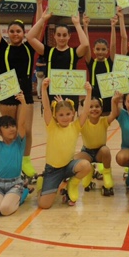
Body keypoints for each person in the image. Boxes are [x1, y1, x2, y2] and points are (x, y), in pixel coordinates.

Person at [0, 0, 43, 181]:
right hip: (5, 94)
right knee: (9, 131)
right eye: (11, 31)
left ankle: (26, 161)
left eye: (18, 31)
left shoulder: (29, 46)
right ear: (8, 33)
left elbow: (40, 26)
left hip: (24, 92)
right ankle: (11, 163)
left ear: (23, 33)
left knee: (25, 130)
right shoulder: (2, 47)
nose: (14, 34)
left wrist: (39, 4)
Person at [37, 79, 93, 209]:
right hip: (53, 170)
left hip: (68, 166)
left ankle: (71, 184)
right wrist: (44, 89)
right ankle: (42, 183)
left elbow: (85, 112)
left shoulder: (75, 126)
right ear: (55, 116)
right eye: (61, 115)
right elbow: (46, 108)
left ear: (73, 114)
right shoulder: (52, 126)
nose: (65, 117)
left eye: (68, 114)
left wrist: (89, 92)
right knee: (44, 205)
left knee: (86, 165)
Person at [26, 7, 89, 105]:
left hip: (70, 94)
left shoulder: (74, 52)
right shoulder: (47, 51)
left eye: (64, 35)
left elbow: (85, 44)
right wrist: (42, 19)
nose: (61, 38)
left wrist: (77, 24)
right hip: (51, 94)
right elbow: (30, 37)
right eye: (58, 35)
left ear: (69, 36)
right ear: (54, 35)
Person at [74, 92, 121, 196]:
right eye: (90, 107)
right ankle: (89, 171)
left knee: (106, 150)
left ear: (101, 108)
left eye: (97, 106)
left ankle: (107, 174)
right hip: (87, 152)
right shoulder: (83, 122)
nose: (94, 109)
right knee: (75, 159)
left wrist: (114, 101)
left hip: (100, 152)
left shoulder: (103, 121)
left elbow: (114, 114)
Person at [84, 13, 117, 114]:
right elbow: (86, 46)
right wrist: (85, 26)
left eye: (103, 49)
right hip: (94, 99)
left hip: (107, 98)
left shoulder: (110, 62)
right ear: (93, 50)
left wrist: (113, 26)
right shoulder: (91, 62)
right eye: (98, 49)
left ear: (107, 50)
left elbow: (113, 45)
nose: (100, 52)